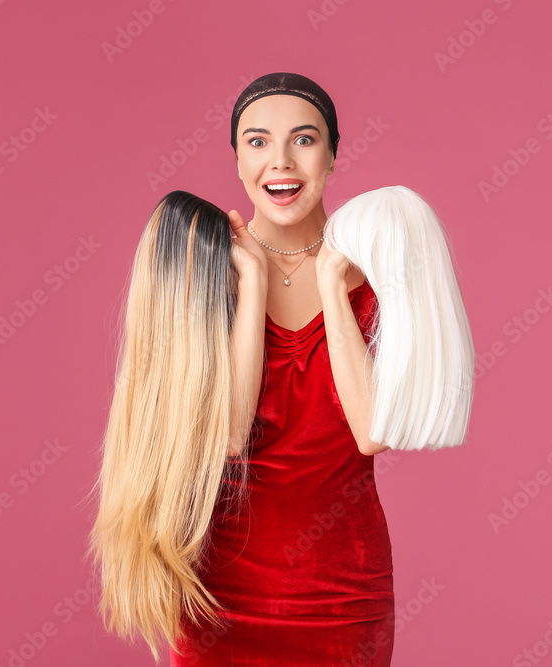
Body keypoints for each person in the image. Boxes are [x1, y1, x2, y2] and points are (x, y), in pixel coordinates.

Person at [168, 72, 398, 666]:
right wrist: (250, 283)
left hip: (343, 591)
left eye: (303, 139)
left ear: (333, 155)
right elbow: (226, 435)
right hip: (219, 594)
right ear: (237, 159)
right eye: (257, 141)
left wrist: (332, 283)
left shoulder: (382, 275)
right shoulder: (204, 271)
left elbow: (373, 432)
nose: (281, 161)